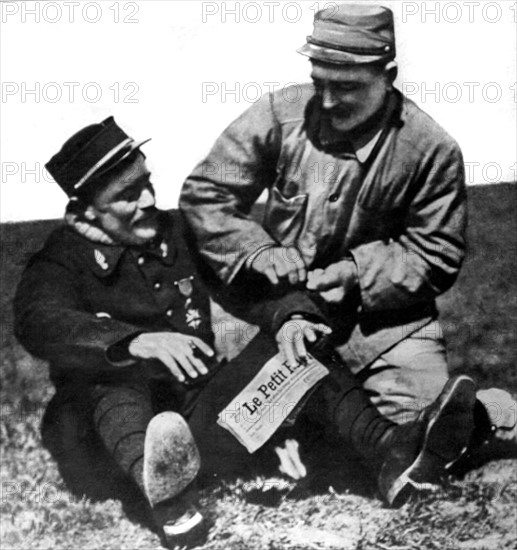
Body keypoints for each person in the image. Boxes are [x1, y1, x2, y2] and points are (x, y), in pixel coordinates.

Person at [13, 117, 479, 549]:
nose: (149, 201)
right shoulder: (61, 260)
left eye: (147, 184)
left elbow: (246, 285)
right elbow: (38, 319)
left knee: (296, 345)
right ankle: (167, 501)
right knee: (109, 378)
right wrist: (130, 341)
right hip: (107, 452)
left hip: (199, 428)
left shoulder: (176, 234)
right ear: (88, 212)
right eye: (127, 196)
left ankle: (389, 453)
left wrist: (291, 317)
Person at [179, 3, 516, 457]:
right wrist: (257, 251)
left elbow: (436, 252)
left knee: (421, 436)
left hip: (385, 329)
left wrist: (357, 274)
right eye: (320, 84)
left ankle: (484, 415)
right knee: (240, 437)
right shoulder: (281, 112)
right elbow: (207, 192)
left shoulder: (431, 149)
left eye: (347, 86)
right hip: (283, 313)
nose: (329, 101)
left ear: (388, 74)